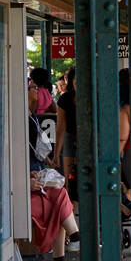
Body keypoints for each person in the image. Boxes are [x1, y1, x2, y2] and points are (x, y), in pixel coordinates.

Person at [29, 171, 80, 261]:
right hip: (13, 200)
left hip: (20, 196)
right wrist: (24, 183)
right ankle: (75, 238)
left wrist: (28, 177)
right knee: (58, 201)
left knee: (59, 194)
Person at [54, 66, 77, 205]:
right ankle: (71, 216)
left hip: (91, 138)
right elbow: (61, 127)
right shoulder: (64, 99)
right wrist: (56, 154)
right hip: (70, 137)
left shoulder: (94, 95)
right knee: (69, 179)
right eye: (75, 81)